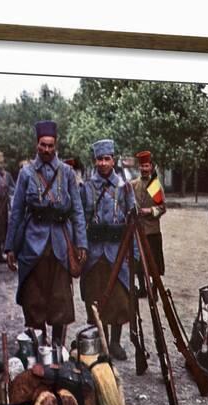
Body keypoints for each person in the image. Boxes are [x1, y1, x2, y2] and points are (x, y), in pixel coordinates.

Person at [4, 120, 88, 345]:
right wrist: (10, 246)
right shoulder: (26, 173)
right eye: (43, 145)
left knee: (61, 300)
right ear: (37, 144)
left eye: (51, 145)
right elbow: (17, 210)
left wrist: (81, 244)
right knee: (34, 301)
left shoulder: (68, 173)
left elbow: (77, 211)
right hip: (32, 246)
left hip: (61, 245)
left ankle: (58, 352)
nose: (47, 150)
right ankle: (39, 352)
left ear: (56, 144)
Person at [80, 139, 137, 360]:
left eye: (107, 159)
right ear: (94, 161)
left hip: (117, 252)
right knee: (95, 296)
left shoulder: (124, 187)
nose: (103, 163)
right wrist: (81, 248)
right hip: (94, 253)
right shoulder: (86, 187)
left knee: (119, 299)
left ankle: (114, 342)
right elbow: (81, 218)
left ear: (113, 160)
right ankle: (99, 339)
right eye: (99, 159)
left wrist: (135, 254)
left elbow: (132, 222)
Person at [131, 150, 166, 300]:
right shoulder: (134, 184)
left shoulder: (154, 185)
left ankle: (155, 288)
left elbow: (162, 208)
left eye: (147, 165)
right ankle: (142, 288)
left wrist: (149, 211)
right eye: (142, 166)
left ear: (151, 166)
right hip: (138, 230)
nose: (144, 169)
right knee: (139, 261)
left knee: (154, 263)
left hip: (152, 230)